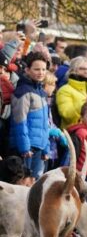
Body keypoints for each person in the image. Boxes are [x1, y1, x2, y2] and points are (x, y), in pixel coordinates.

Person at [9, 51, 50, 181]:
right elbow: (19, 121)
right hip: (26, 149)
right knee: (22, 184)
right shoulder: (22, 92)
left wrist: (45, 147)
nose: (41, 72)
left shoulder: (42, 93)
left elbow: (46, 124)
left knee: (34, 184)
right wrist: (25, 147)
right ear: (27, 69)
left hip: (38, 147)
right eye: (36, 69)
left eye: (43, 69)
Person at [67, 101, 87, 212]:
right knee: (81, 200)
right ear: (82, 117)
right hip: (82, 173)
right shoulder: (81, 132)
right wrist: (76, 170)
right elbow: (75, 153)